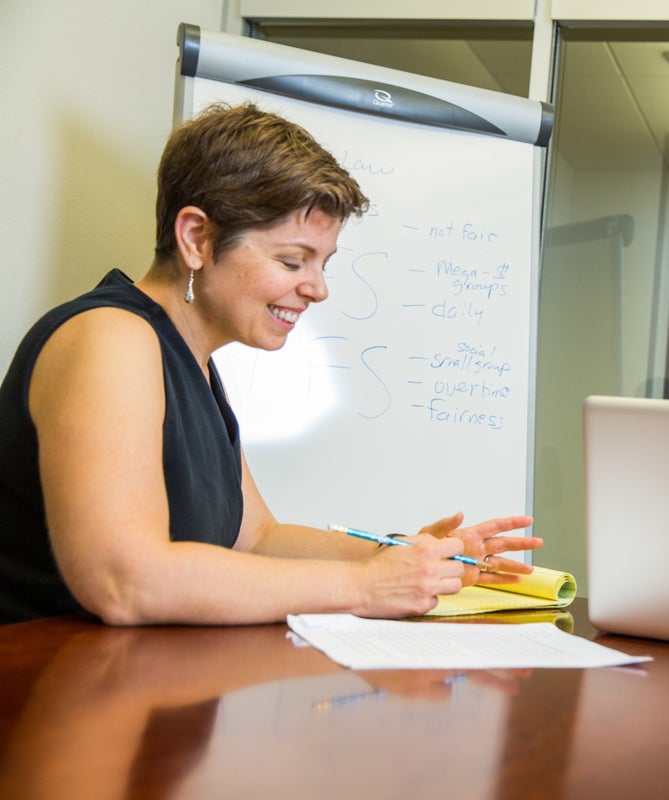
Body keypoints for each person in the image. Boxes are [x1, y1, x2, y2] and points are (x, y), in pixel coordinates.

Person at [0, 102, 540, 626]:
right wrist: (368, 586)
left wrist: (409, 557)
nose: (318, 288)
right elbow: (125, 580)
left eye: (322, 263)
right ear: (196, 237)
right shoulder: (109, 339)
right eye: (291, 260)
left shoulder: (197, 365)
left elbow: (257, 540)